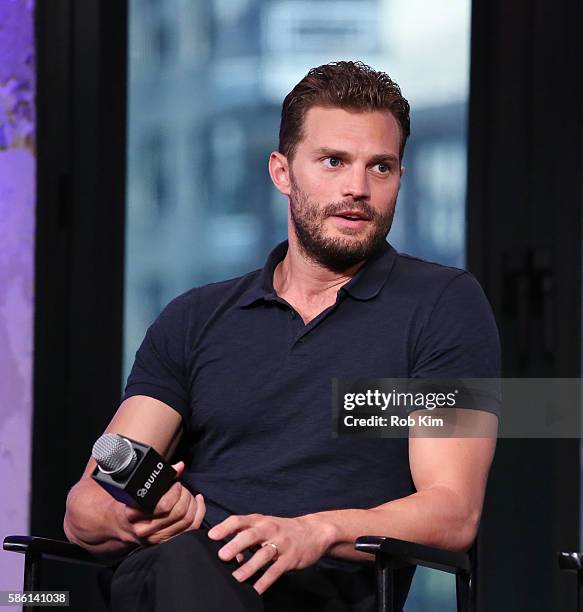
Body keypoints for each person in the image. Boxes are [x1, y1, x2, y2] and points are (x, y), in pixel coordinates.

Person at [63, 61, 500, 612]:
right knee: (182, 563)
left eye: (381, 167)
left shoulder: (444, 307)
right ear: (282, 172)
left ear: (399, 179)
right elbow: (86, 505)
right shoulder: (195, 318)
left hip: (318, 592)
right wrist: (127, 516)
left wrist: (312, 532)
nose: (357, 188)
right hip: (177, 572)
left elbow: (452, 511)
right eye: (333, 161)